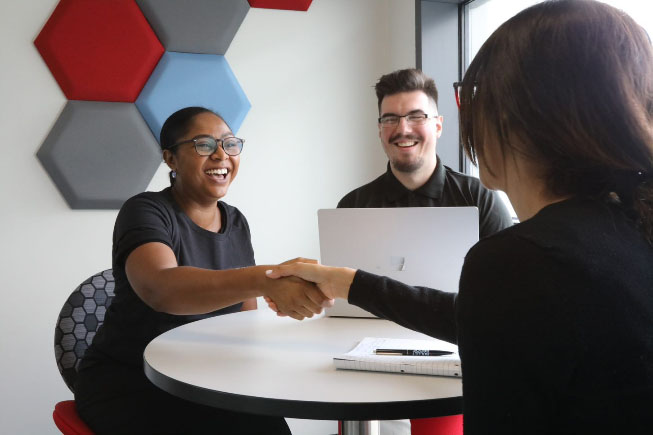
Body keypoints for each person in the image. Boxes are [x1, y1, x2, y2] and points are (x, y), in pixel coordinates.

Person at [266, 1, 653, 432]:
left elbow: (501, 310)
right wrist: (346, 282)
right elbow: (492, 314)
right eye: (391, 119)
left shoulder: (516, 257)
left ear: (521, 116)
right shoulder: (630, 226)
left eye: (471, 96)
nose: (403, 129)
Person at [75, 107, 328, 434]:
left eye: (229, 144)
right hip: (133, 383)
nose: (221, 155)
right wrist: (267, 279)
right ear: (171, 158)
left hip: (205, 378)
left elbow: (244, 320)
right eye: (204, 145)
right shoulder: (145, 211)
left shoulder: (235, 221)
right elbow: (161, 289)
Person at [338, 68, 512, 239]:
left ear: (438, 126)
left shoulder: (480, 200)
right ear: (380, 130)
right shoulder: (352, 207)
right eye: (390, 119)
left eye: (416, 117)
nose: (403, 129)